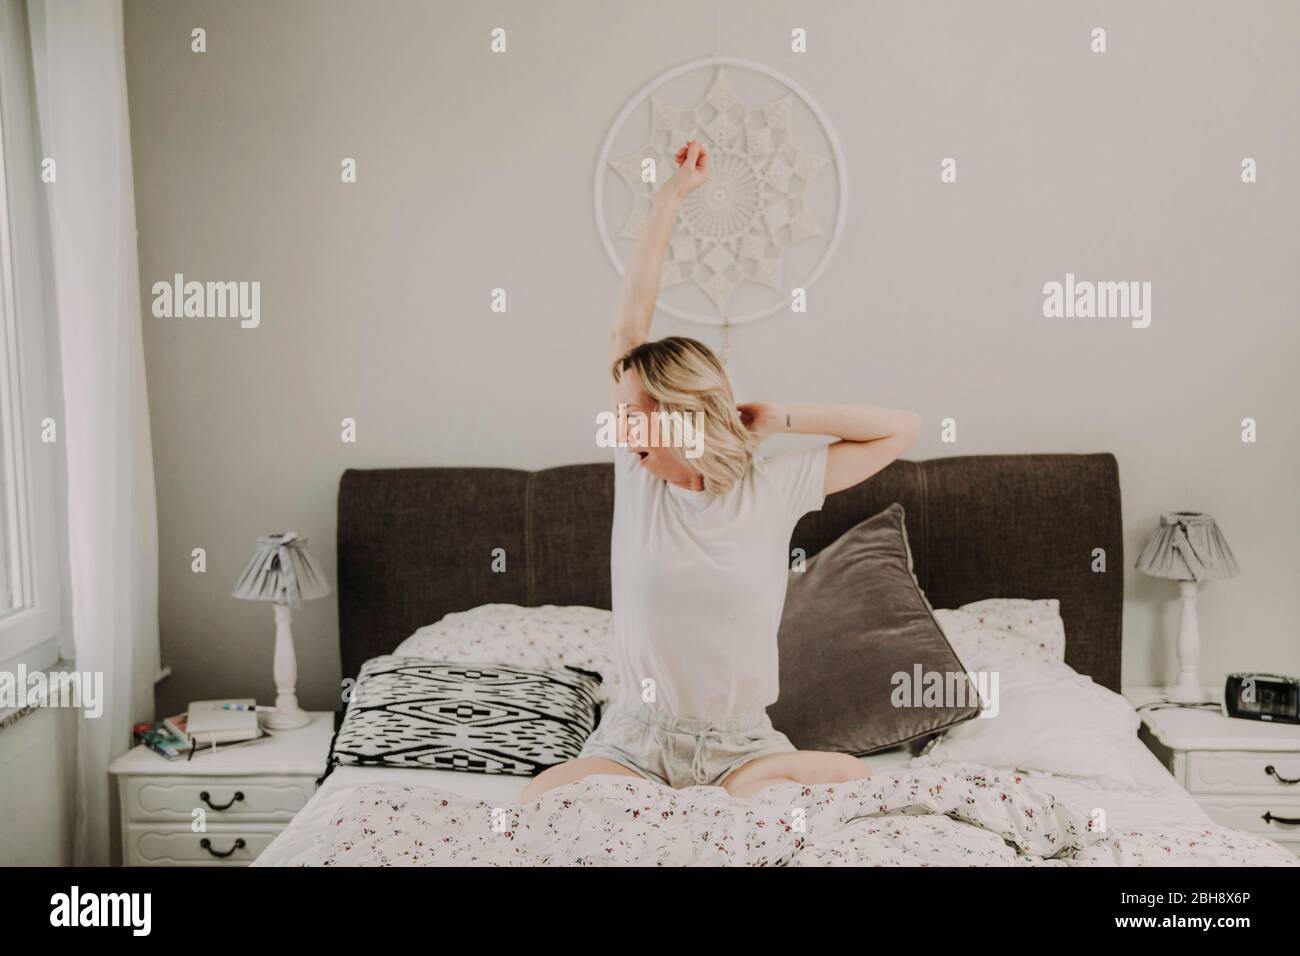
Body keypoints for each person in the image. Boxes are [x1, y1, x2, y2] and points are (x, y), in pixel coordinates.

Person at [521, 140, 920, 802]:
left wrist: (781, 417)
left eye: (636, 418)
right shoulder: (637, 473)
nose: (620, 432)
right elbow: (628, 327)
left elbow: (900, 429)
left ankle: (720, 810)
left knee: (850, 780)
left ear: (683, 413)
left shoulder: (775, 486)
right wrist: (668, 198)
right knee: (542, 801)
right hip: (633, 743)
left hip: (740, 749)